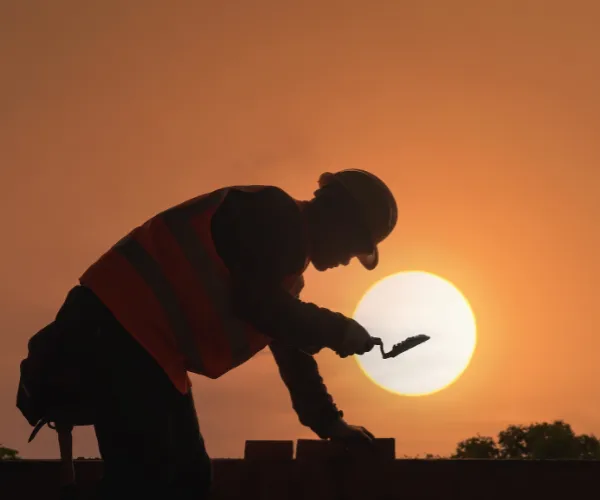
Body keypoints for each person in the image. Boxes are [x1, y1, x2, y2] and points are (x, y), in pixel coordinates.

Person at [51, 168, 398, 499]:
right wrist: (338, 330)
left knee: (189, 480)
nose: (349, 258)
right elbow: (260, 306)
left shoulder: (283, 259)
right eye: (355, 243)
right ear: (338, 219)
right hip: (116, 327)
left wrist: (328, 421)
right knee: (146, 481)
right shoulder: (273, 215)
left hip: (147, 347)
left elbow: (286, 339)